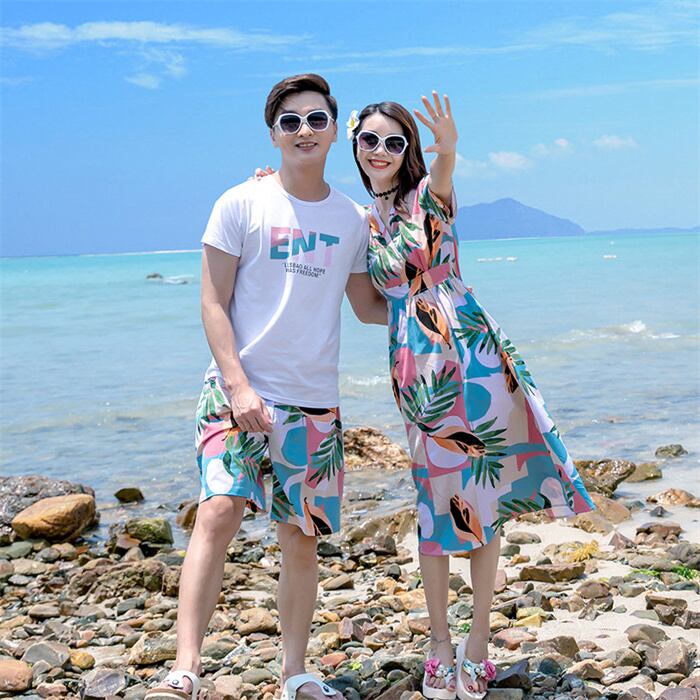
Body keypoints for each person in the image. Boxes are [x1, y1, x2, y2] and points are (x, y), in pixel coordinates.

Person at [346, 93, 597, 700]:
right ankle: (439, 644)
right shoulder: (356, 222)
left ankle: (477, 642)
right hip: (418, 370)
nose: (381, 150)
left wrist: (449, 149)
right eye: (370, 140)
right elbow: (363, 306)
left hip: (476, 357)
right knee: (435, 500)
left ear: (409, 150)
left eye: (394, 141)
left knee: (483, 498)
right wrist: (411, 319)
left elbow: (444, 176)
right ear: (354, 146)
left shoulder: (426, 195)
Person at [144, 73, 385, 700]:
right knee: (218, 512)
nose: (304, 130)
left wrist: (436, 302)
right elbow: (211, 301)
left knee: (301, 536)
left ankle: (295, 673)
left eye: (316, 119)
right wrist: (238, 385)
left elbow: (366, 306)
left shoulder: (353, 220)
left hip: (314, 403)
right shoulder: (240, 202)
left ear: (334, 131)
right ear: (273, 133)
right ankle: (185, 668)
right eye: (290, 121)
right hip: (237, 393)